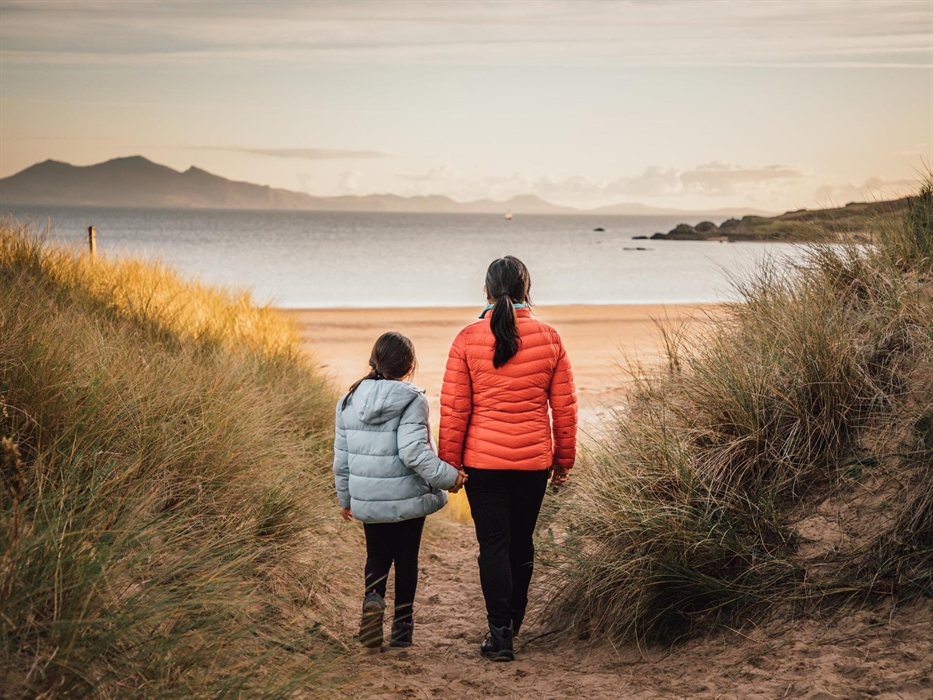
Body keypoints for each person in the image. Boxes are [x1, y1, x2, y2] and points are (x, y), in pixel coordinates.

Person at [439, 256, 577, 662]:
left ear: (485, 291)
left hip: (483, 462)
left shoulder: (466, 339)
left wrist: (450, 465)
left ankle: (500, 635)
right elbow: (564, 408)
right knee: (521, 544)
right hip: (533, 462)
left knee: (493, 546)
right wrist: (562, 460)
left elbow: (454, 409)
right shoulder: (549, 337)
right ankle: (513, 622)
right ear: (525, 291)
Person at [334, 331, 467, 649]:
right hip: (407, 494)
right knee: (407, 559)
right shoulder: (412, 399)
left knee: (377, 555)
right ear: (410, 367)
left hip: (367, 496)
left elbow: (341, 459)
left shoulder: (349, 401)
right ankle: (402, 627)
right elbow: (414, 454)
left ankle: (374, 597)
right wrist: (450, 477)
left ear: (374, 360)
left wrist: (345, 498)